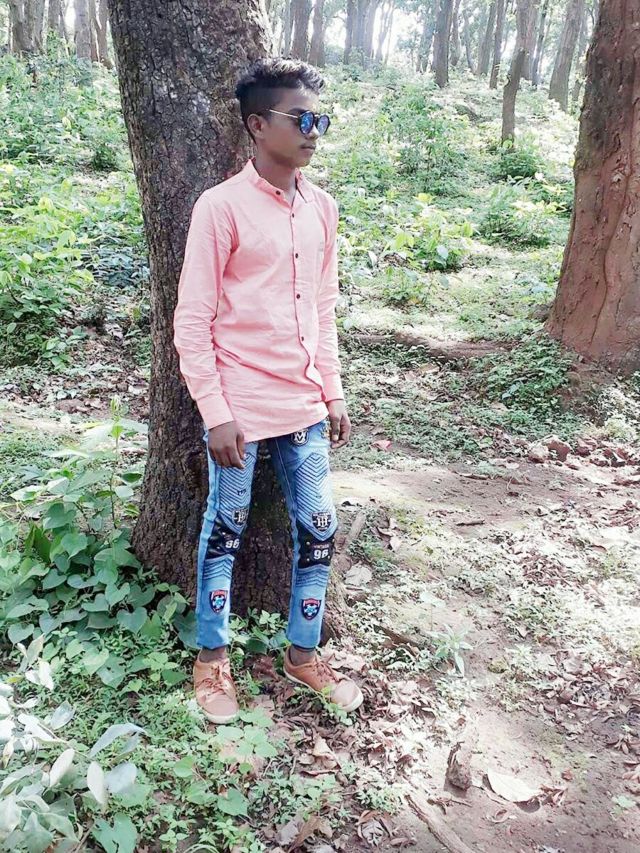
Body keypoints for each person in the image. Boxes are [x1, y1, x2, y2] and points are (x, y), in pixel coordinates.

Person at [173, 57, 363, 724]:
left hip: (304, 404)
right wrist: (215, 411)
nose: (314, 132)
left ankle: (303, 653)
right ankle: (211, 658)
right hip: (241, 409)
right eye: (300, 119)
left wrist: (333, 391)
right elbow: (192, 320)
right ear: (258, 125)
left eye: (320, 120)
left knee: (320, 527)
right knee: (225, 529)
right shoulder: (220, 207)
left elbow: (322, 308)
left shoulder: (323, 209)